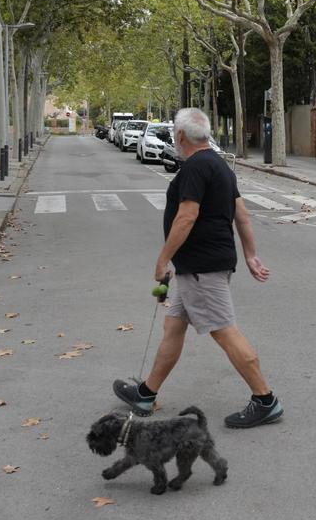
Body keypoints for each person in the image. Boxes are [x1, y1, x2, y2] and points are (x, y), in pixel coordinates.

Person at [112, 108, 282, 428]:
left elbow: (187, 217)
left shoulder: (195, 167)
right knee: (174, 325)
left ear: (179, 136)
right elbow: (242, 215)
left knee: (224, 331)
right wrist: (250, 255)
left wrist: (162, 260)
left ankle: (265, 399)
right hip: (202, 266)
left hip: (202, 267)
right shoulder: (220, 165)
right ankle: (146, 394)